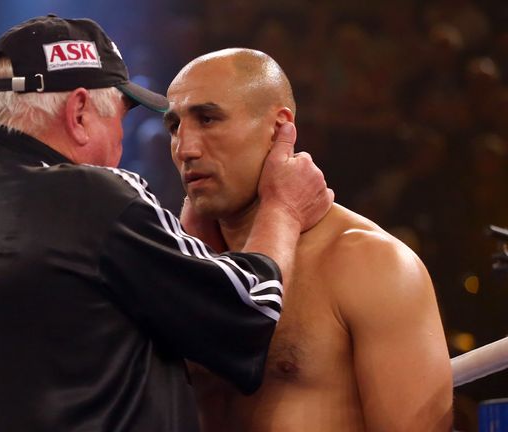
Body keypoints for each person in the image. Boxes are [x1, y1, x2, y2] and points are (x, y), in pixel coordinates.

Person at [0, 16, 332, 432]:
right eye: (119, 117)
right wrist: (283, 208)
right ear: (79, 114)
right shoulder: (92, 197)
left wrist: (179, 245)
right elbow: (249, 312)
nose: (122, 142)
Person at [165, 48, 453, 431]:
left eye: (208, 118)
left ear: (279, 127)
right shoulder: (173, 265)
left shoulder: (370, 263)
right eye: (174, 126)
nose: (186, 148)